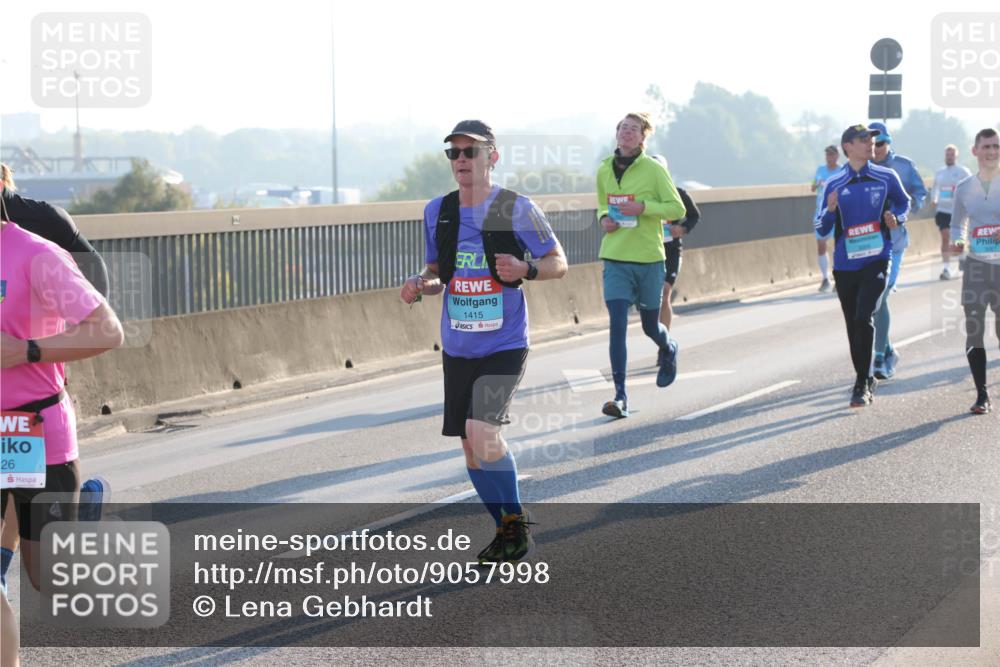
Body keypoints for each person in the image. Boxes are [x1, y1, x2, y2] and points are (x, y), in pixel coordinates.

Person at [399, 120, 567, 563]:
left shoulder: (514, 208)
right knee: (471, 449)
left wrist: (526, 270)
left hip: (504, 343)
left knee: (482, 431)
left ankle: (515, 524)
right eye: (453, 153)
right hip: (457, 346)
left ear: (492, 157)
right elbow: (439, 272)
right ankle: (505, 529)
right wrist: (422, 282)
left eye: (470, 152)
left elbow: (558, 262)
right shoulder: (439, 210)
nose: (460, 161)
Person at [0, 198, 124, 603]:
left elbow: (108, 330)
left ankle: (82, 521)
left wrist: (27, 350)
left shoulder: (37, 253)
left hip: (31, 427)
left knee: (48, 578)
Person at [596, 113, 686, 418]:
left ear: (643, 137)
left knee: (650, 325)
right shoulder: (604, 169)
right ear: (616, 133)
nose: (626, 133)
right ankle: (620, 396)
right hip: (616, 257)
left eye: (633, 129)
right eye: (623, 127)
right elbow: (600, 204)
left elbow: (677, 208)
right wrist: (603, 219)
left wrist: (644, 208)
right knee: (617, 324)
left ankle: (668, 346)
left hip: (648, 259)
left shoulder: (653, 170)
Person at [815, 124, 910, 407]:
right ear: (847, 147)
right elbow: (821, 227)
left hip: (878, 258)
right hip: (845, 264)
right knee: (851, 323)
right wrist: (831, 210)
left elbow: (904, 203)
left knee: (864, 316)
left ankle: (861, 383)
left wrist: (897, 218)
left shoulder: (886, 176)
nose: (870, 143)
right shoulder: (834, 183)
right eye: (863, 140)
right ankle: (864, 377)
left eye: (872, 139)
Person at [869, 122, 927, 380]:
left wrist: (902, 214)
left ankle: (880, 358)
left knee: (880, 296)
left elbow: (919, 194)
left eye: (880, 144)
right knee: (871, 304)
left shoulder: (903, 165)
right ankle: (889, 349)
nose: (876, 149)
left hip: (894, 242)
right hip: (869, 243)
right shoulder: (863, 168)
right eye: (872, 144)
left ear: (888, 142)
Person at [949, 128, 1000, 414]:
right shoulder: (965, 187)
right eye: (987, 147)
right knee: (974, 330)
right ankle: (982, 394)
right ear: (975, 151)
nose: (992, 152)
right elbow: (958, 224)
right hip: (977, 267)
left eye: (996, 146)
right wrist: (958, 240)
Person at [931, 145, 972, 280]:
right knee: (945, 236)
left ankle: (961, 257)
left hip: (958, 210)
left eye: (952, 155)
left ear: (956, 156)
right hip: (942, 210)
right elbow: (935, 188)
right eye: (947, 154)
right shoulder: (940, 172)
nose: (949, 157)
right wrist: (934, 199)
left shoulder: (963, 171)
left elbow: (972, 186)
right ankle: (947, 267)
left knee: (958, 238)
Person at [811, 146, 842, 292]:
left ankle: (838, 278)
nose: (829, 157)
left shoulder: (842, 170)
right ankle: (825, 279)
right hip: (820, 213)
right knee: (821, 245)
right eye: (827, 154)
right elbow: (812, 187)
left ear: (838, 156)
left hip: (837, 212)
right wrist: (816, 184)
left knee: (838, 246)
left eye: (832, 154)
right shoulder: (820, 170)